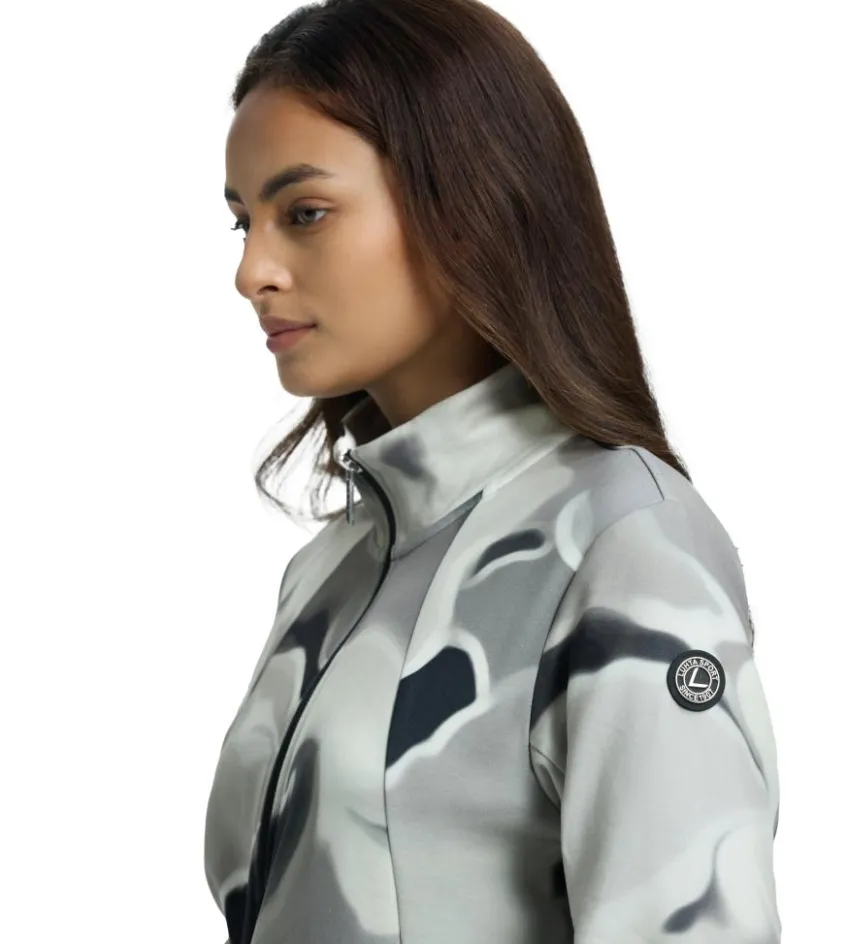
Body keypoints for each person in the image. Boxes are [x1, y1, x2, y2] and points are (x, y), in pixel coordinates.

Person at [204, 1, 782, 941]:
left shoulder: (625, 544)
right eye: (242, 224)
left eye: (304, 213)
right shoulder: (330, 569)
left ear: (467, 206)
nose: (252, 271)